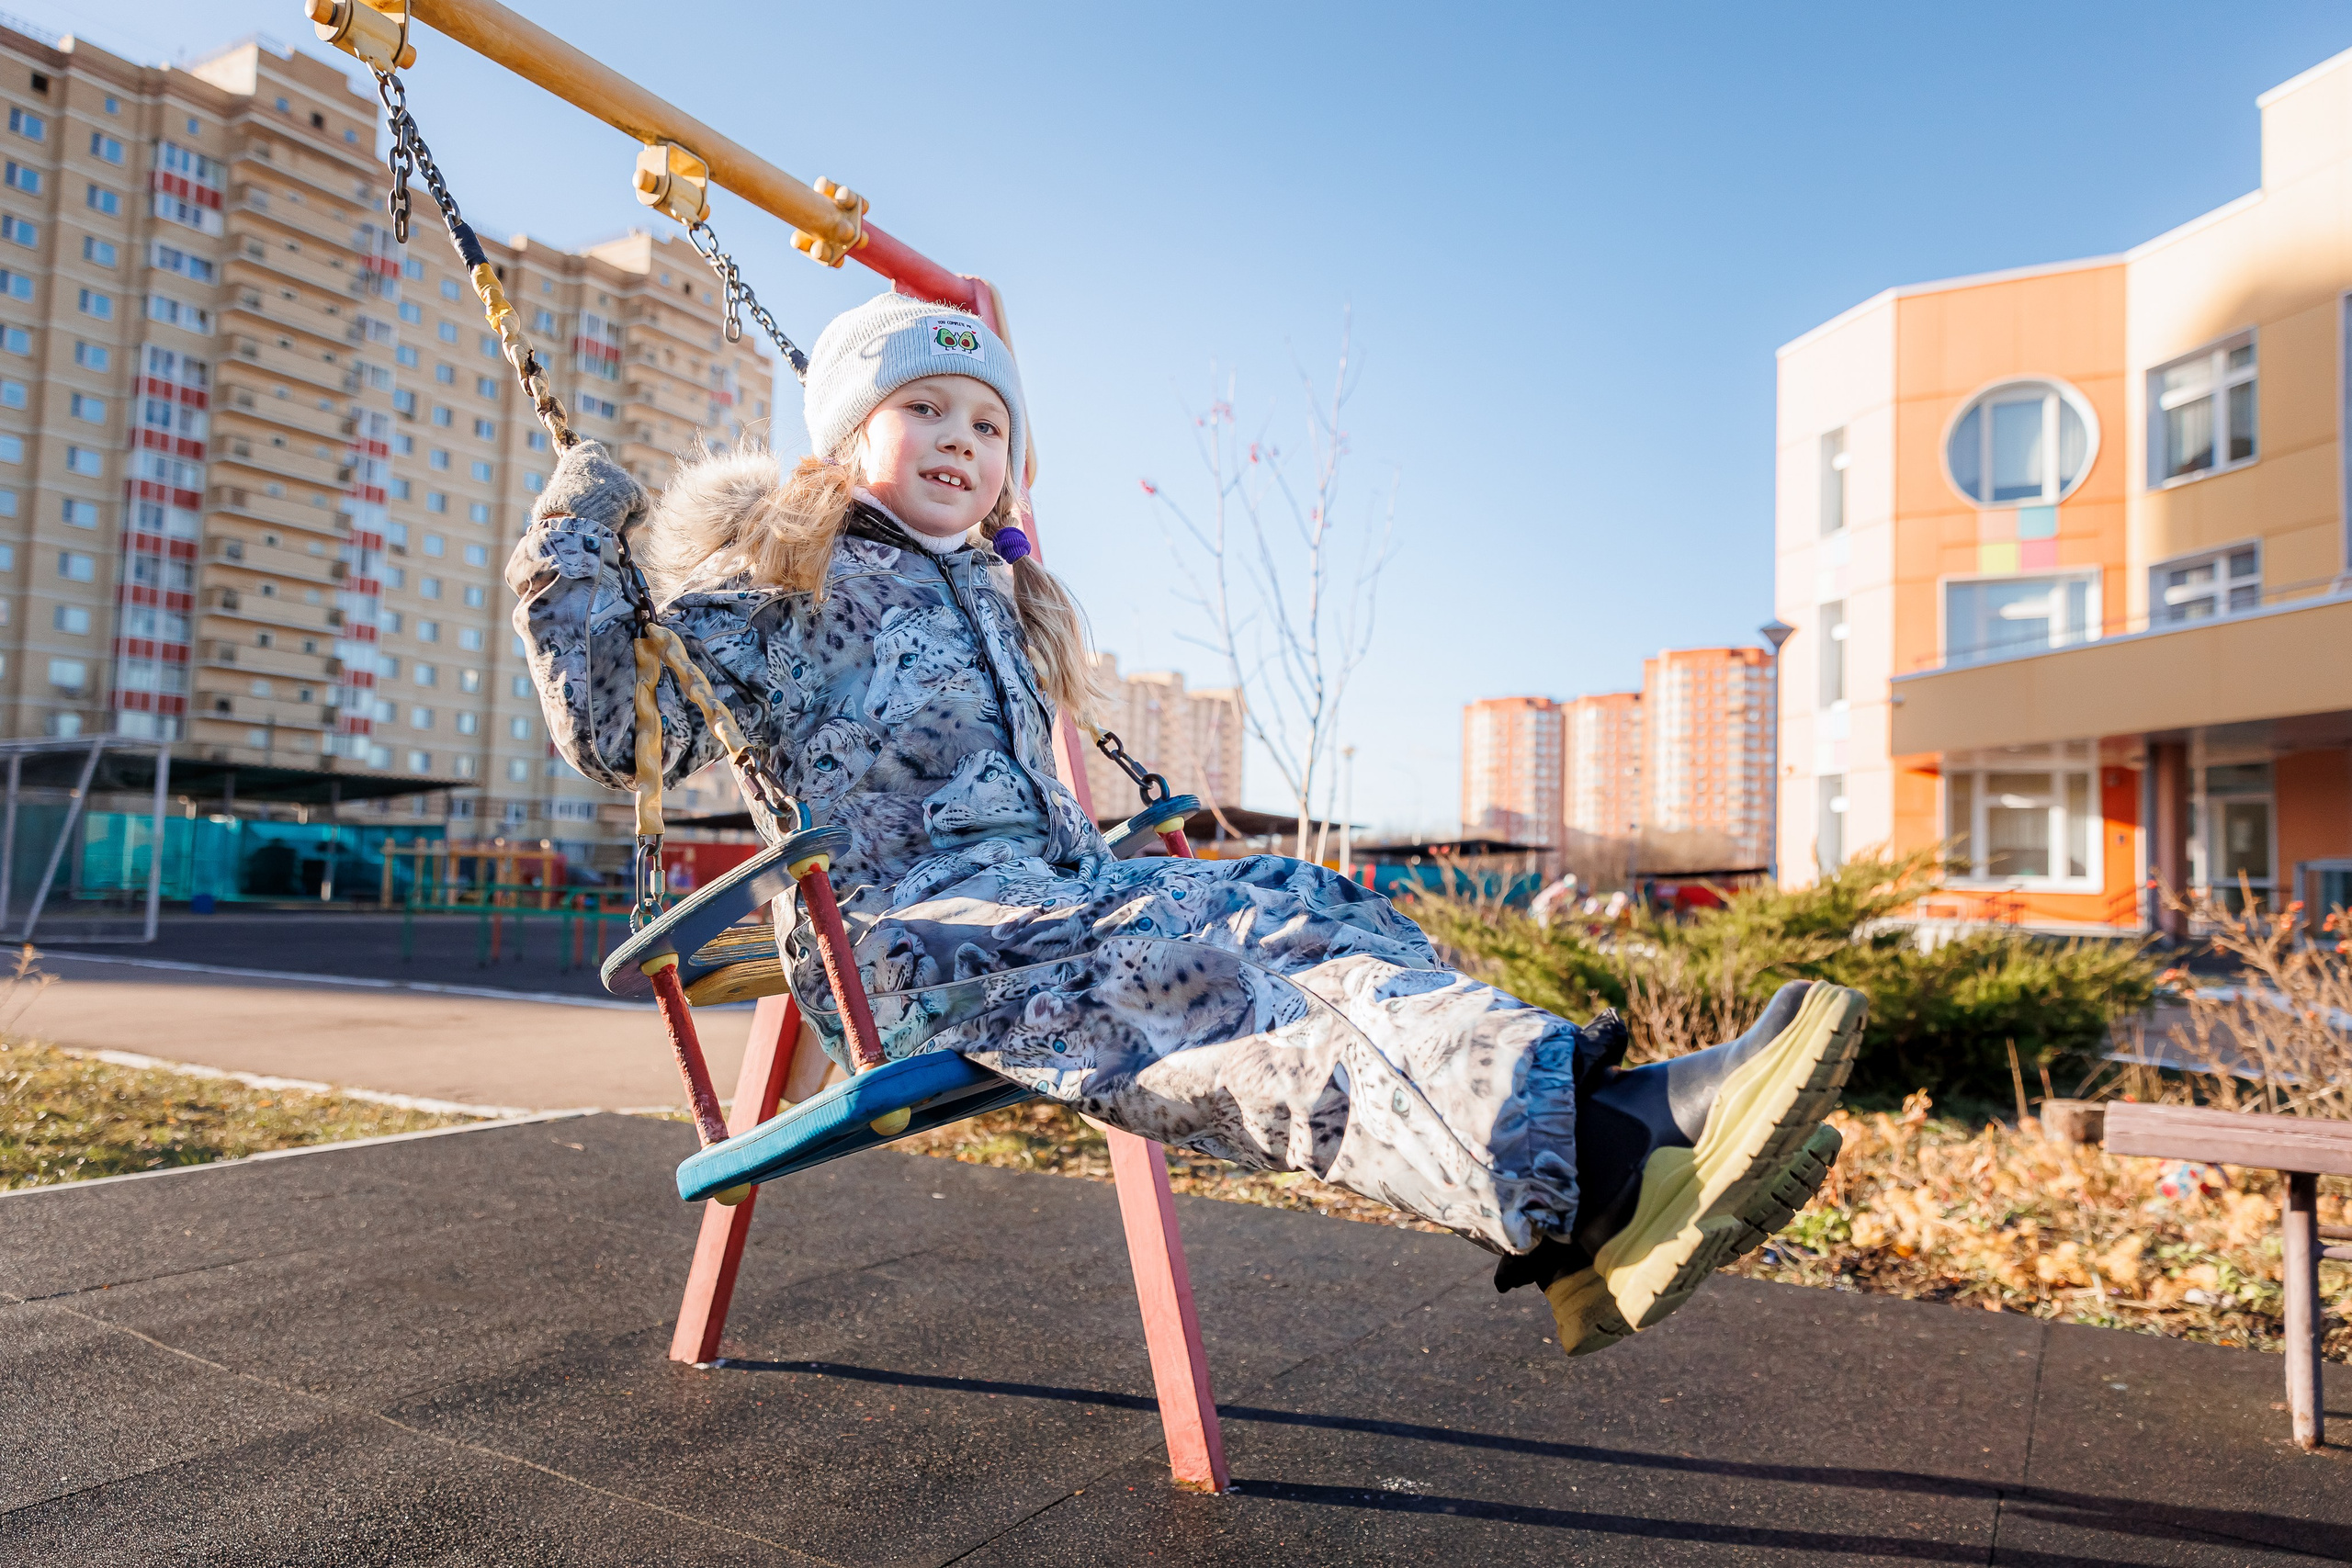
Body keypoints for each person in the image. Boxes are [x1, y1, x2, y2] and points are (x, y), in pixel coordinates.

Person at [506, 290, 1864, 1359]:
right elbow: (626, 736)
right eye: (924, 409)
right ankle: (1606, 1158)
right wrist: (576, 535)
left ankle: (1581, 1155)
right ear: (848, 440)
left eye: (989, 426)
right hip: (924, 947)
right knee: (1213, 990)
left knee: (1297, 902)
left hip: (1052, 899)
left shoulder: (988, 587)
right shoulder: (775, 578)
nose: (963, 446)